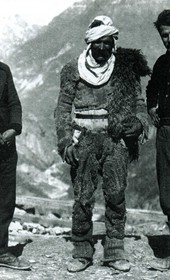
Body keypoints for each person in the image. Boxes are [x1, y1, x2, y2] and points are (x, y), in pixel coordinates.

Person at [55, 15, 150, 273]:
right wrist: (65, 142)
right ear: (90, 43)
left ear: (113, 44)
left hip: (115, 140)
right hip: (83, 139)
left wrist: (139, 124)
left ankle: (115, 249)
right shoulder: (72, 70)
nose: (103, 48)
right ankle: (82, 250)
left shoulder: (124, 71)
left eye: (108, 43)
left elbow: (139, 104)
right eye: (99, 43)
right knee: (83, 196)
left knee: (116, 195)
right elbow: (63, 109)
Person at [0, 62, 30, 270]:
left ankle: (1, 250)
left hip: (5, 147)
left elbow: (14, 104)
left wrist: (14, 128)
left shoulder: (3, 70)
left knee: (5, 199)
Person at [146, 10, 170, 271]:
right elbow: (152, 87)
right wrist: (152, 106)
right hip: (165, 132)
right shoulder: (163, 63)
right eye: (165, 35)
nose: (169, 39)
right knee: (168, 196)